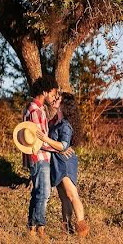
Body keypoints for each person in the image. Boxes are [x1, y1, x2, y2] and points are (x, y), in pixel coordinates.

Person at [37, 92, 89, 236]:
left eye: (58, 99)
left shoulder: (65, 124)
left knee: (72, 195)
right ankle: (67, 228)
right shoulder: (55, 121)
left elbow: (64, 146)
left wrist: (46, 140)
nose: (55, 99)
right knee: (63, 198)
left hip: (65, 162)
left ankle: (82, 228)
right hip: (57, 162)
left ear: (64, 105)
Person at [21, 75, 60, 236]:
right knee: (44, 193)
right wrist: (58, 148)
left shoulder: (35, 108)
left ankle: (31, 229)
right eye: (51, 94)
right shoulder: (36, 110)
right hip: (40, 156)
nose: (52, 97)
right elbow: (39, 140)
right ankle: (40, 229)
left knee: (38, 192)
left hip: (38, 157)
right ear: (44, 92)